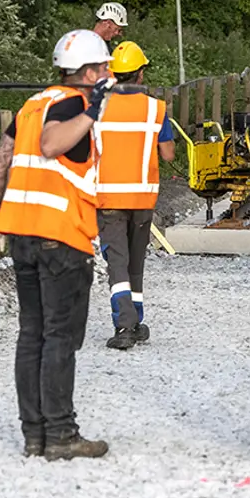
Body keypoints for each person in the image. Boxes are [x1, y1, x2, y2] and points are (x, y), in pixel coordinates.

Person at [0, 29, 115, 460]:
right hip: (62, 237)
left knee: (31, 335)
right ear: (89, 74)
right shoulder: (75, 105)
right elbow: (52, 145)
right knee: (59, 336)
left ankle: (34, 435)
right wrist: (94, 108)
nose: (109, 74)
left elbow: (1, 160)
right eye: (104, 68)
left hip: (22, 234)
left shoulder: (33, 105)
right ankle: (61, 435)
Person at [93, 41, 175, 351]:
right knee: (135, 262)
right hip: (142, 198)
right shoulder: (156, 108)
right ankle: (135, 321)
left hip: (108, 200)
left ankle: (125, 325)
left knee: (117, 262)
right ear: (140, 74)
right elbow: (168, 154)